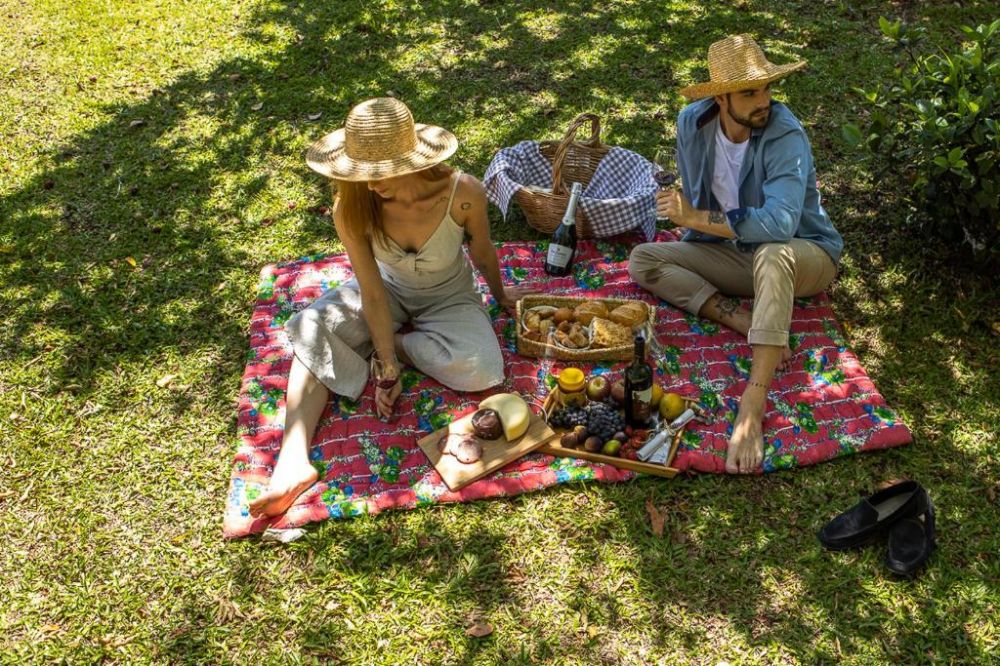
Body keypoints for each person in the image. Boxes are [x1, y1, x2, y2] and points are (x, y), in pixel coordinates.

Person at [250, 97, 533, 518]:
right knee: (310, 327)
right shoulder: (351, 205)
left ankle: (396, 344)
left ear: (413, 159)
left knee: (484, 369)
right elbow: (371, 289)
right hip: (387, 292)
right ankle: (293, 461)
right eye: (362, 172)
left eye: (380, 172)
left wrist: (500, 294)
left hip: (450, 296)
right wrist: (386, 366)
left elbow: (484, 252)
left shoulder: (463, 192)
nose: (371, 182)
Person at [628, 35, 844, 474]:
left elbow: (780, 227)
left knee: (772, 255)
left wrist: (697, 217)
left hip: (804, 256)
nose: (762, 100)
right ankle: (740, 318)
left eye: (766, 88)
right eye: (750, 92)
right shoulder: (693, 122)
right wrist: (691, 225)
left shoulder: (785, 134)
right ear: (721, 97)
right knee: (644, 260)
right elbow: (693, 207)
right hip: (733, 253)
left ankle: (752, 403)